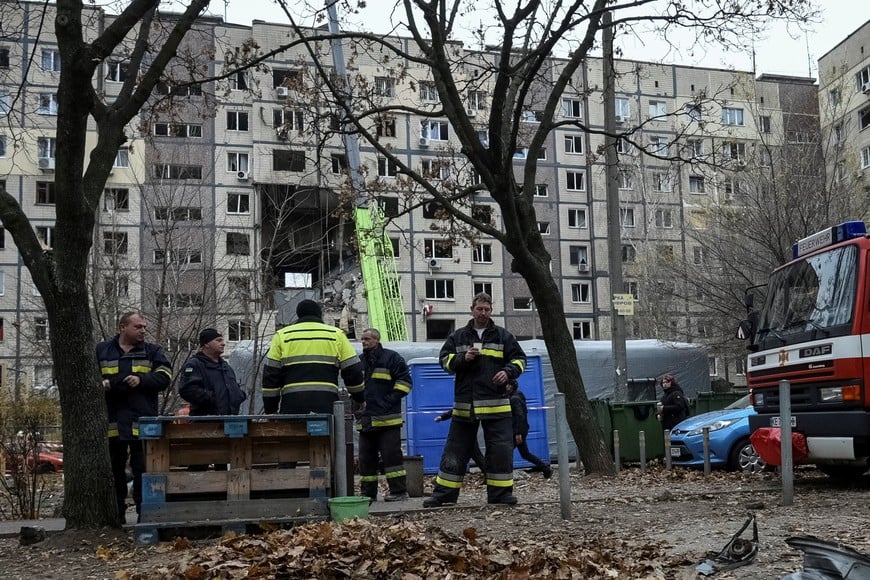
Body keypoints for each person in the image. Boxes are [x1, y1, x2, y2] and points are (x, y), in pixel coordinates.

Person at [424, 292, 527, 507]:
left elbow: (520, 359)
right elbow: (444, 361)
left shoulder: (503, 336)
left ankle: (500, 495)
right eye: (479, 309)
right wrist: (463, 358)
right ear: (472, 309)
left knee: (500, 451)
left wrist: (508, 372)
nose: (483, 313)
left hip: (496, 405)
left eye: (487, 309)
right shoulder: (458, 337)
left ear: (491, 311)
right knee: (455, 451)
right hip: (465, 406)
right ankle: (444, 495)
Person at [97, 311, 172, 523]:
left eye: (144, 327)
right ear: (122, 327)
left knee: (143, 472)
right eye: (138, 327)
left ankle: (144, 515)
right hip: (112, 422)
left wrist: (141, 380)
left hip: (142, 422)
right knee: (114, 471)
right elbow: (88, 377)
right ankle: (116, 515)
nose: (143, 331)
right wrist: (101, 383)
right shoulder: (102, 350)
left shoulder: (152, 351)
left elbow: (165, 376)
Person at [262, 299, 365, 414]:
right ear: (319, 314)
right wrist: (359, 398)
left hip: (292, 405)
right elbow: (353, 371)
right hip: (326, 404)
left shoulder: (282, 336)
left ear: (298, 314)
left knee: (293, 432)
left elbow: (270, 376)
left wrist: (270, 410)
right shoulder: (336, 335)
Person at [179, 328, 247, 471]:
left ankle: (220, 492)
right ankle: (195, 491)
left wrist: (238, 396)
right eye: (218, 340)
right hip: (204, 423)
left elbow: (232, 386)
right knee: (201, 460)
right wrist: (213, 399)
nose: (223, 343)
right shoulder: (195, 365)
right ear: (206, 344)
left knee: (222, 461)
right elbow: (187, 389)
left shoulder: (225, 366)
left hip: (227, 422)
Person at [357, 328, 412, 502]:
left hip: (388, 420)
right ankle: (368, 494)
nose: (364, 342)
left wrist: (388, 401)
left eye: (367, 339)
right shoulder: (360, 361)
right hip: (366, 420)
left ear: (377, 340)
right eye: (362, 339)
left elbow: (405, 383)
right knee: (366, 459)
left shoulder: (392, 358)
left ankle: (399, 492)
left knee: (392, 457)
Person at [506, 379, 552, 479]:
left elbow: (519, 416)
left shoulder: (514, 399)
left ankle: (505, 473)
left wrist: (518, 433)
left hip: (517, 430)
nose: (506, 387)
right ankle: (545, 468)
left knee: (507, 451)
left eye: (507, 385)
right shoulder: (518, 395)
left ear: (511, 386)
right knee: (525, 453)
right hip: (521, 429)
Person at [434, 409, 487, 478]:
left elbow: (457, 409)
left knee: (474, 455)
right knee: (476, 456)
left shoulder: (470, 403)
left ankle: (489, 475)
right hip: (466, 432)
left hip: (466, 433)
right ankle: (488, 475)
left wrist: (442, 417)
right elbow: (457, 409)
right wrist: (442, 417)